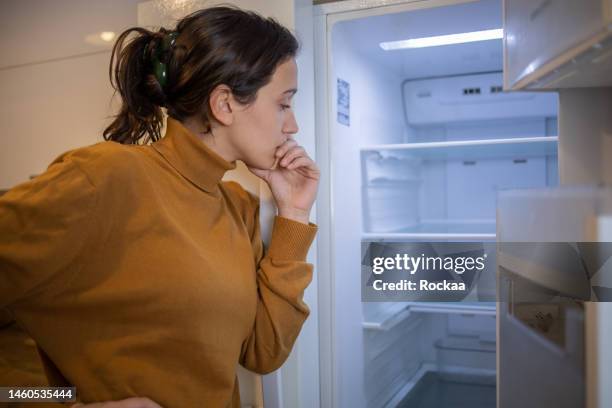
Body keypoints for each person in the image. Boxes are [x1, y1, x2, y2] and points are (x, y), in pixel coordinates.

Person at [0, 6, 319, 408]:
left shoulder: (239, 207)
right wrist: (55, 404)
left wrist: (294, 212)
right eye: (284, 104)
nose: (292, 126)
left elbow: (264, 352)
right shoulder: (105, 177)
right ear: (224, 104)